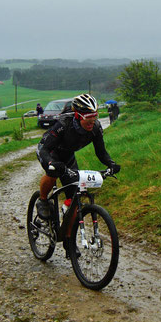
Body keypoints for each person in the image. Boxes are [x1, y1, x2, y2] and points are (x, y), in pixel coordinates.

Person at [35, 94, 120, 242]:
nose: (92, 121)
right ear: (78, 115)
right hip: (50, 152)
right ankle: (42, 200)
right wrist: (50, 163)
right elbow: (44, 150)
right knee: (52, 173)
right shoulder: (64, 124)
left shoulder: (96, 127)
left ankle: (68, 240)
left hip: (68, 157)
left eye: (95, 116)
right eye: (88, 117)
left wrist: (111, 164)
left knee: (75, 197)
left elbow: (101, 152)